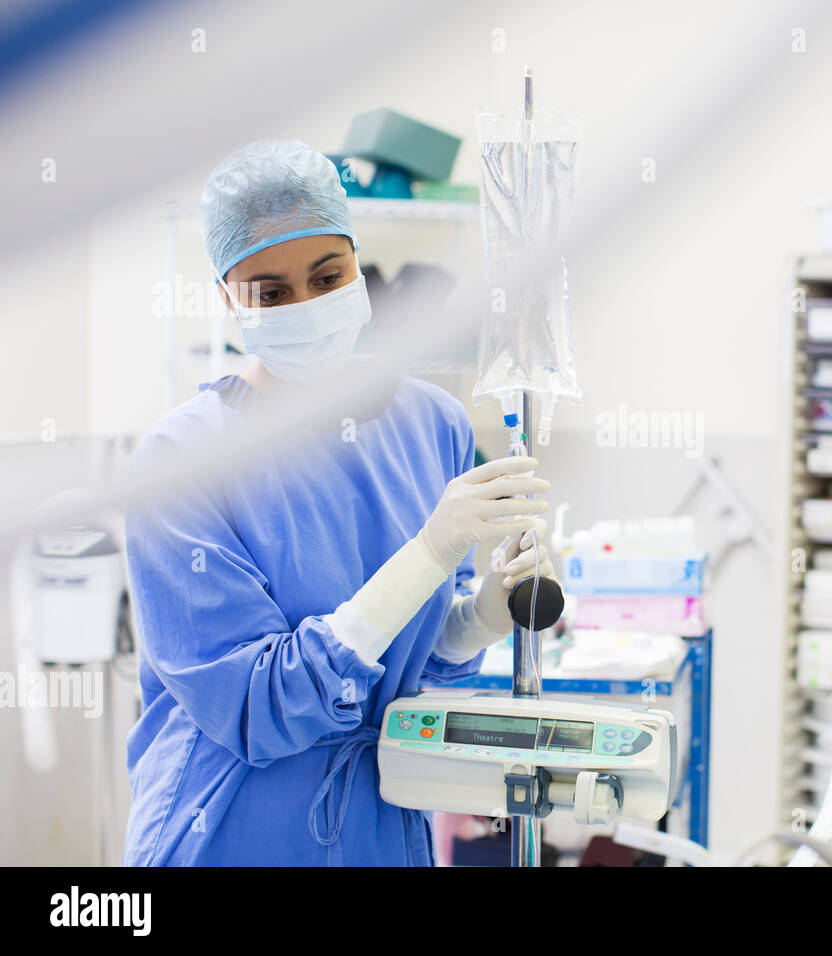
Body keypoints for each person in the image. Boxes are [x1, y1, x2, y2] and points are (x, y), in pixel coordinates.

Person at [122, 140, 553, 865]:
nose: (308, 307)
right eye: (271, 292)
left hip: (378, 826)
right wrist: (426, 554)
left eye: (328, 276)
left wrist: (478, 616)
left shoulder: (430, 422)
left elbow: (413, 665)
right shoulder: (179, 465)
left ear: (358, 262)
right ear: (228, 297)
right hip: (232, 828)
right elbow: (261, 710)